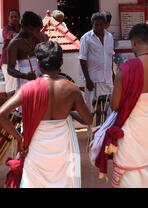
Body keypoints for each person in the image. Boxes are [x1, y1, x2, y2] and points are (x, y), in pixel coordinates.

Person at [0, 41, 92, 188]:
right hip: (63, 148)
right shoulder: (72, 89)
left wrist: (19, 138)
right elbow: (88, 119)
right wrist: (70, 113)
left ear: (38, 63)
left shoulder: (29, 89)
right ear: (61, 61)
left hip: (36, 147)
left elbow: (1, 114)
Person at [94, 24, 148, 187]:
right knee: (147, 163)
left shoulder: (125, 69)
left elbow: (116, 105)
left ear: (133, 43)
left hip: (129, 127)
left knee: (130, 169)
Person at [79, 12, 115, 123]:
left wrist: (113, 74)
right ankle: (93, 137)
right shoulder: (86, 38)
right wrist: (88, 79)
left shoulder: (109, 37)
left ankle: (105, 137)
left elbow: (110, 56)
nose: (98, 27)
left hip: (107, 80)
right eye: (96, 25)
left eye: (101, 24)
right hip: (93, 82)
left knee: (108, 110)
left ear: (105, 24)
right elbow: (82, 59)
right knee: (93, 111)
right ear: (92, 24)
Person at [7, 11, 47, 90]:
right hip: (24, 82)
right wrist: (24, 75)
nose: (34, 33)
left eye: (36, 30)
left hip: (39, 79)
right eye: (31, 30)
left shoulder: (35, 37)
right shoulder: (14, 43)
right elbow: (10, 69)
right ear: (22, 26)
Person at [1, 9, 20, 98]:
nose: (14, 18)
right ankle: (11, 110)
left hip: (19, 61)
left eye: (16, 17)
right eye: (12, 17)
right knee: (11, 87)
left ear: (19, 18)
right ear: (8, 18)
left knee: (20, 86)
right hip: (8, 62)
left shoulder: (22, 28)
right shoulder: (6, 29)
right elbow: (12, 35)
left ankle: (18, 110)